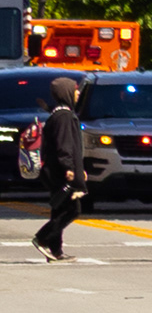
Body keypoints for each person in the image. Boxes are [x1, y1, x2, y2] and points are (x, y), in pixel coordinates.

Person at [28, 75, 94, 263]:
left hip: (57, 169)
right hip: (61, 171)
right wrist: (69, 168)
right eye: (75, 89)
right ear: (66, 92)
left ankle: (55, 251)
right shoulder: (64, 116)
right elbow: (64, 146)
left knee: (59, 209)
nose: (78, 93)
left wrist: (79, 168)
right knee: (72, 209)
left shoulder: (59, 114)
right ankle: (42, 237)